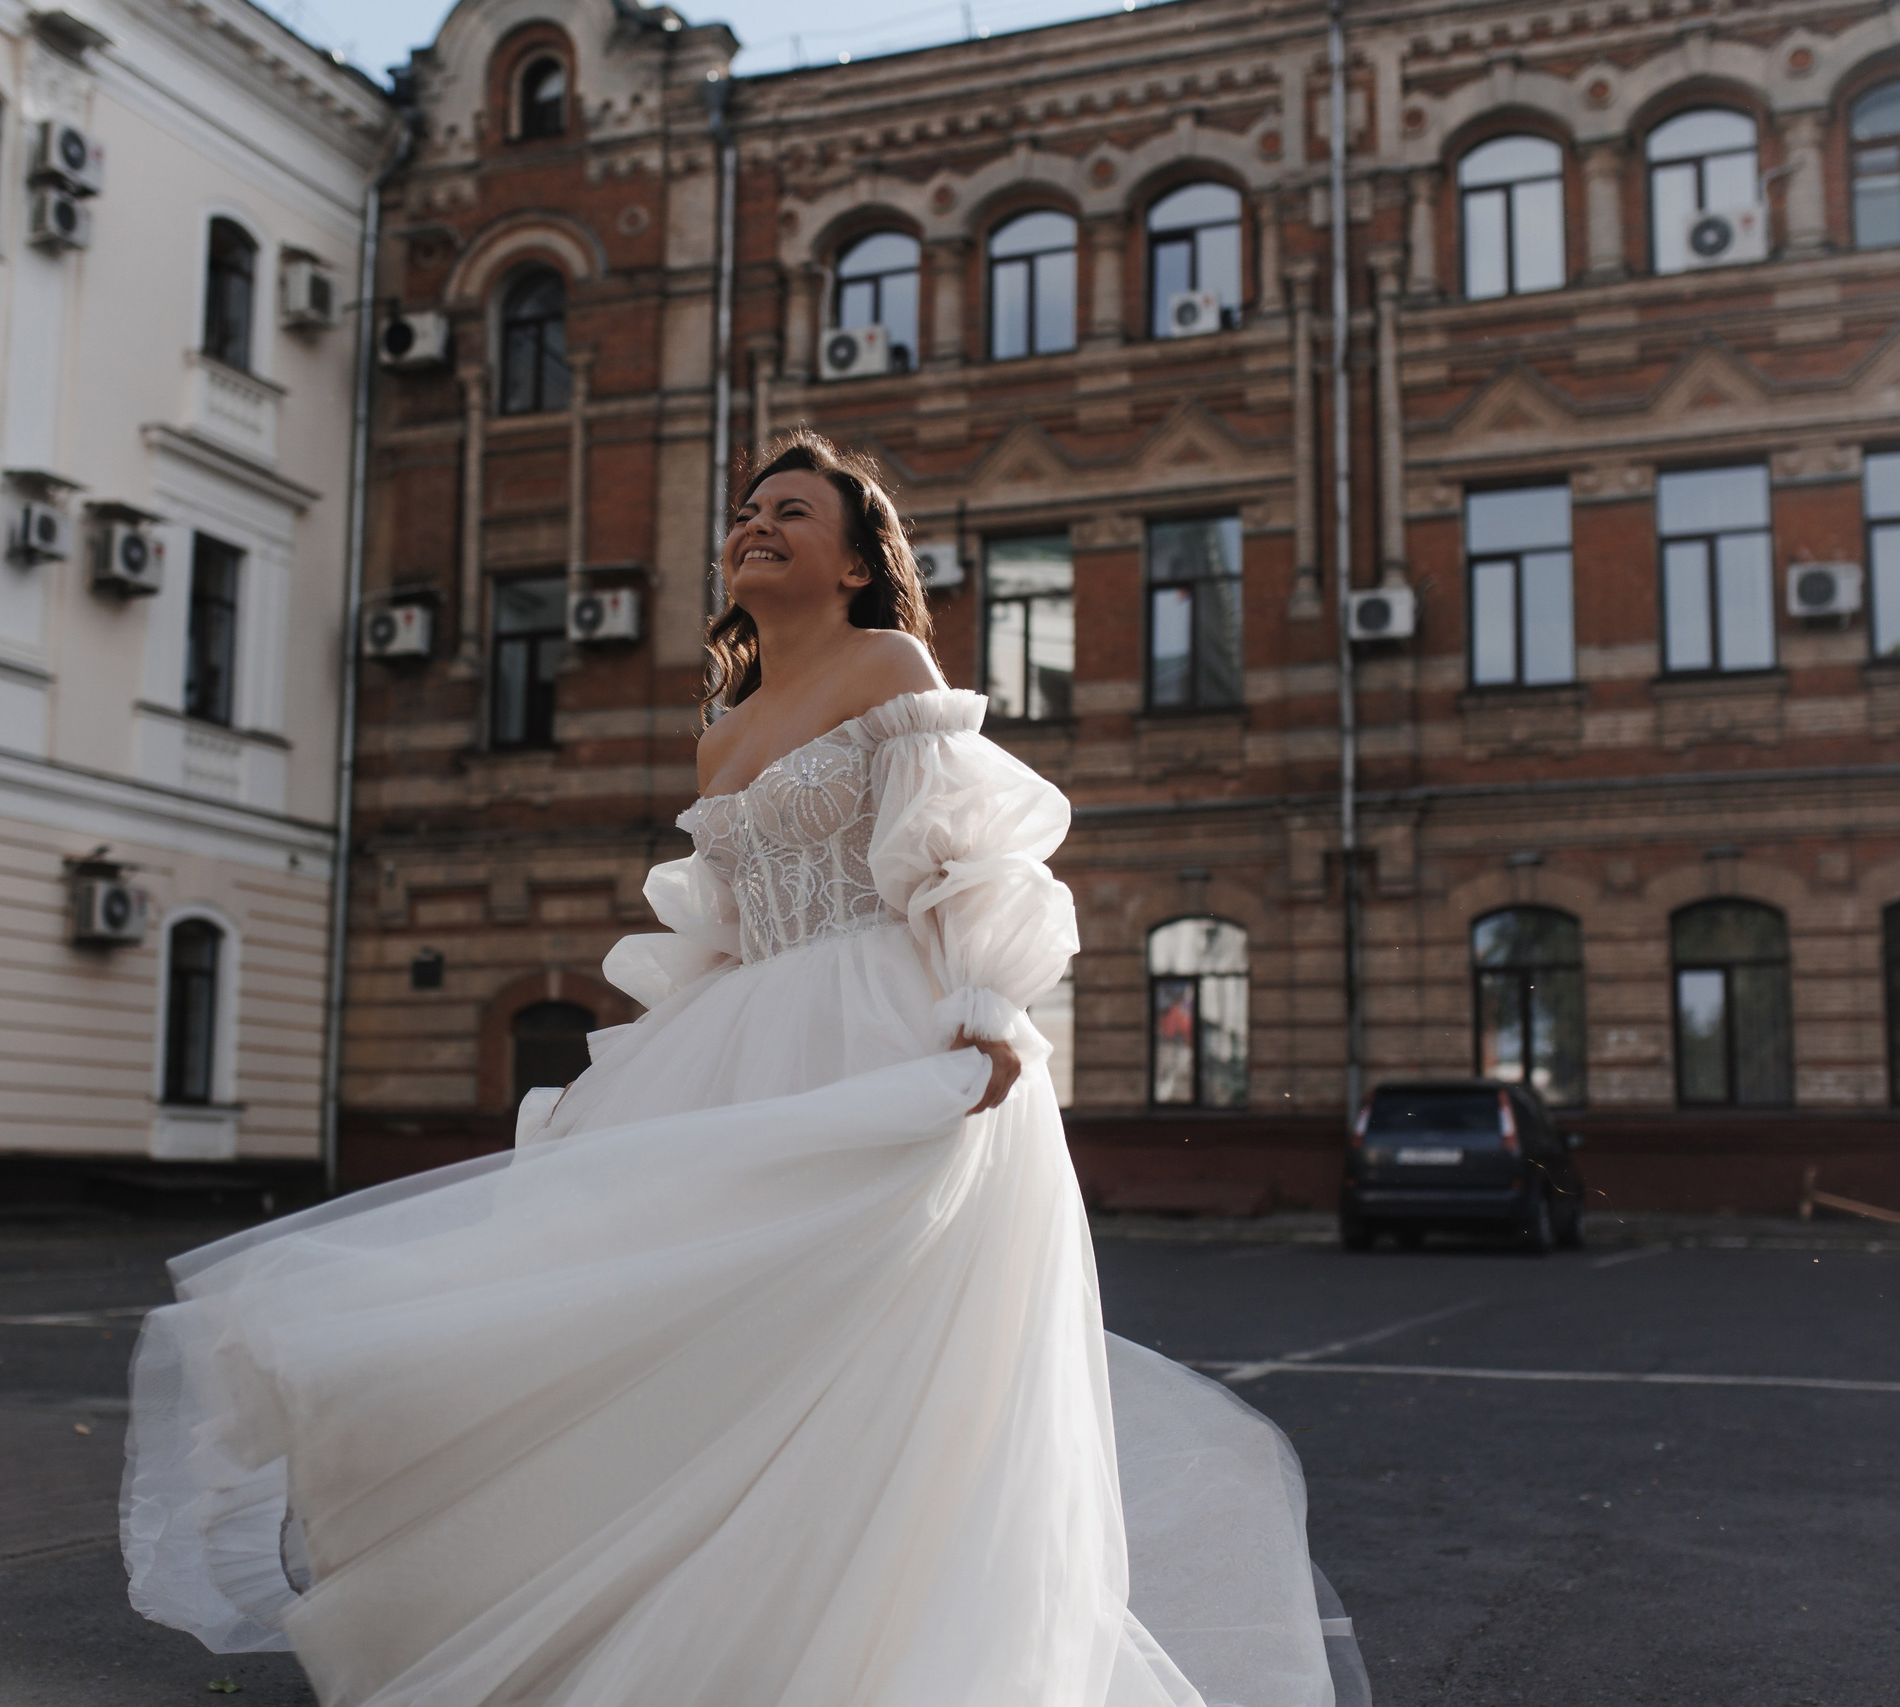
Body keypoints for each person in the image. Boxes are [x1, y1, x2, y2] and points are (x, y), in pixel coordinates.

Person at [122, 433, 1342, 1707]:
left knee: (858, 1357)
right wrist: (641, 1071)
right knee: (681, 1336)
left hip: (884, 1033)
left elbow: (966, 859)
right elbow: (713, 928)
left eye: (792, 511)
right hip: (742, 1038)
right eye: (746, 510)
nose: (755, 525)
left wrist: (985, 1012)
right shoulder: (725, 731)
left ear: (860, 565)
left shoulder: (891, 668)